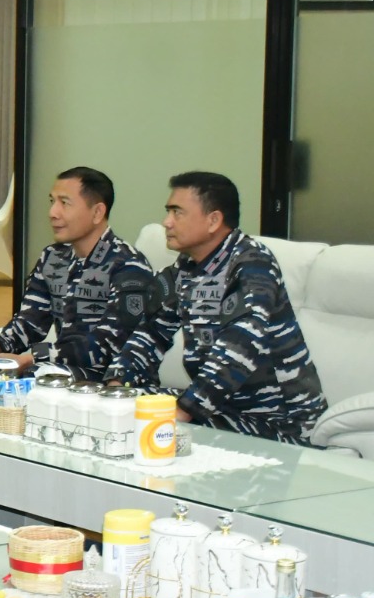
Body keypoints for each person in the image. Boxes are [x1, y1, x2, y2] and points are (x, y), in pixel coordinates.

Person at [110, 171, 326, 445]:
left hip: (277, 423)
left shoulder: (252, 263)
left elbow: (239, 348)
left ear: (213, 220)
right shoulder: (185, 267)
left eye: (177, 212)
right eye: (168, 212)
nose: (166, 222)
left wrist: (183, 411)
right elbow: (152, 332)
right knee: (119, 409)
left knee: (150, 428)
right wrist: (118, 386)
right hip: (218, 410)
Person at [0, 167, 157, 381]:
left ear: (97, 213)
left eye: (65, 203)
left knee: (35, 375)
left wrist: (34, 358)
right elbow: (29, 321)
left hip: (113, 378)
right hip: (63, 367)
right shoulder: (53, 257)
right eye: (52, 201)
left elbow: (109, 343)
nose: (53, 212)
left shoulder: (128, 265)